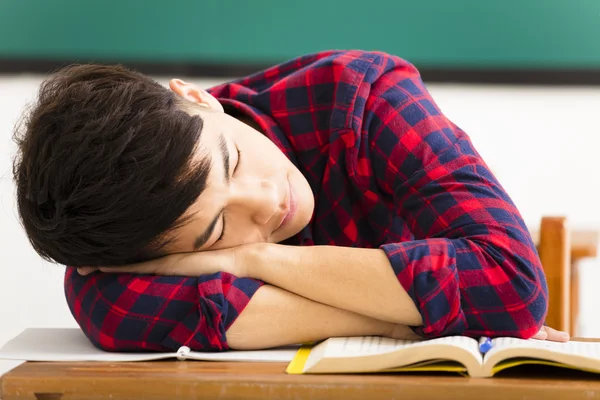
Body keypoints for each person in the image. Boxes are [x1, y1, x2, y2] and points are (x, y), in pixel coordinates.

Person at [13, 50, 568, 352]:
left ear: (197, 98)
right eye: (216, 232)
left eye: (230, 160)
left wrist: (251, 258)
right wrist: (419, 322)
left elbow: (512, 287)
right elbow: (107, 306)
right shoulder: (125, 234)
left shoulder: (366, 96)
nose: (265, 200)